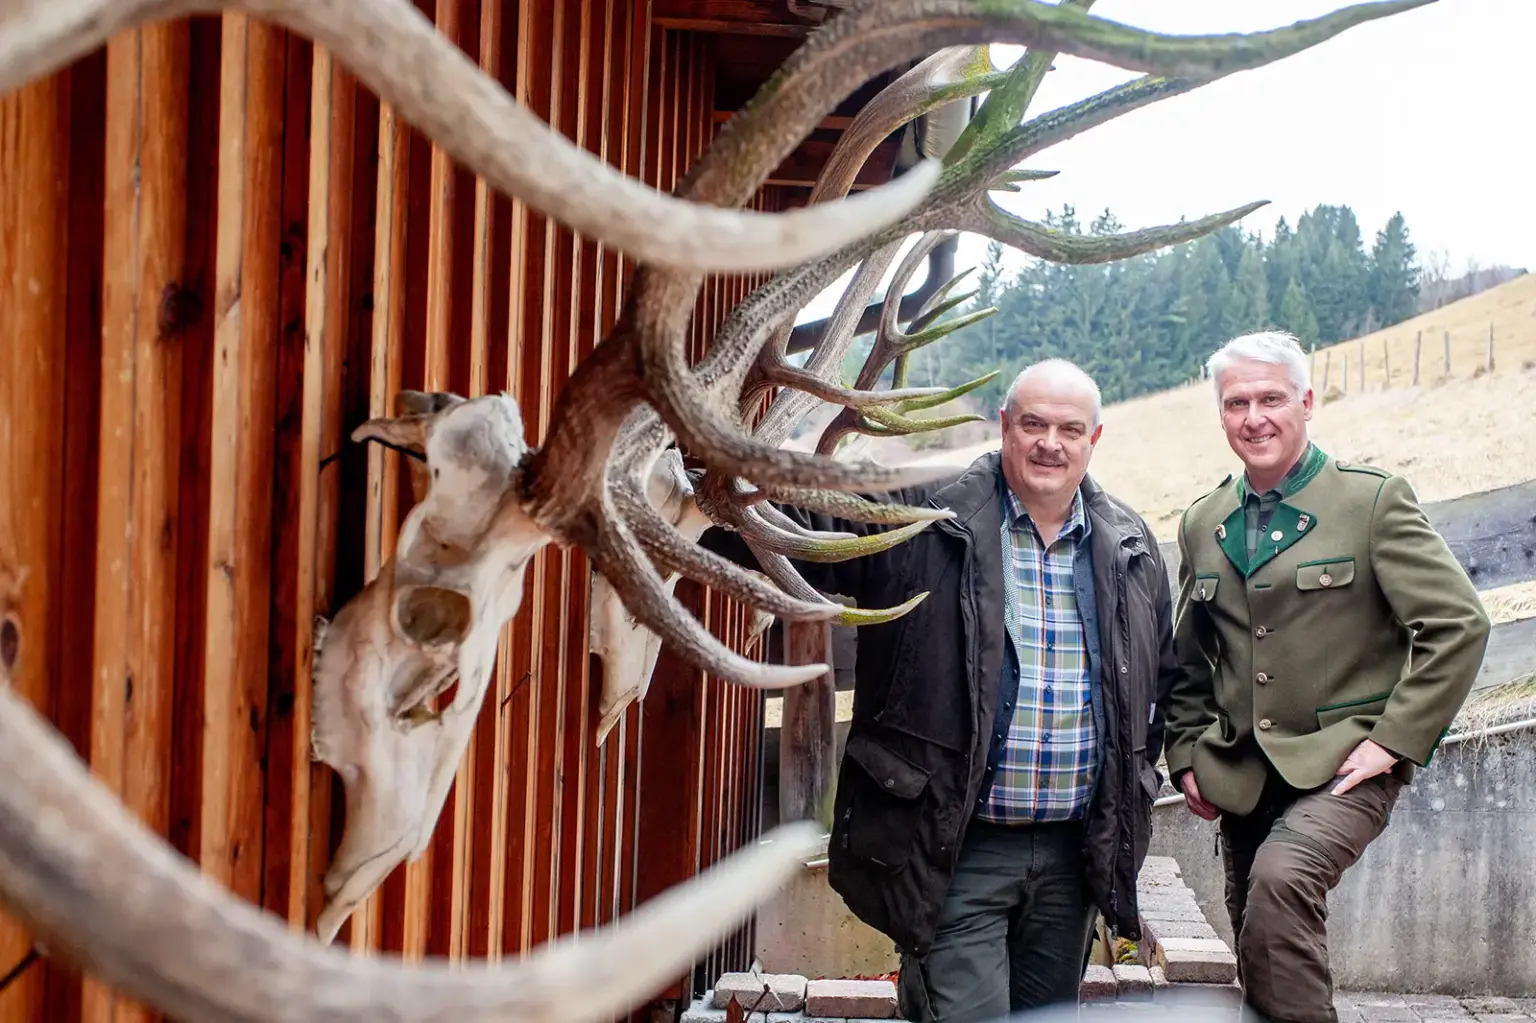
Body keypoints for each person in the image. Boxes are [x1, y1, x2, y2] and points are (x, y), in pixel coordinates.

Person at [701, 359, 1181, 1022]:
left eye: (1070, 428)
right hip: (955, 849)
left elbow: (1156, 686)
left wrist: (1137, 785)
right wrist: (710, 485)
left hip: (1073, 857)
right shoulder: (923, 520)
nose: (1051, 442)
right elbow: (803, 526)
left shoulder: (1130, 546)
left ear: (1093, 438)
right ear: (1005, 424)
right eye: (1034, 423)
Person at [1163, 330, 1491, 1023]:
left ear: (1307, 401)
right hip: (1243, 773)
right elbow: (1187, 657)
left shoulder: (1370, 502)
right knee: (1261, 935)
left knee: (1278, 886)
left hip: (1347, 765)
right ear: (1221, 415)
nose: (1254, 416)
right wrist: (1186, 751)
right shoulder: (1202, 522)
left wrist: (1394, 739)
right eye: (1237, 402)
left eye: (1272, 398)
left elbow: (1458, 622)